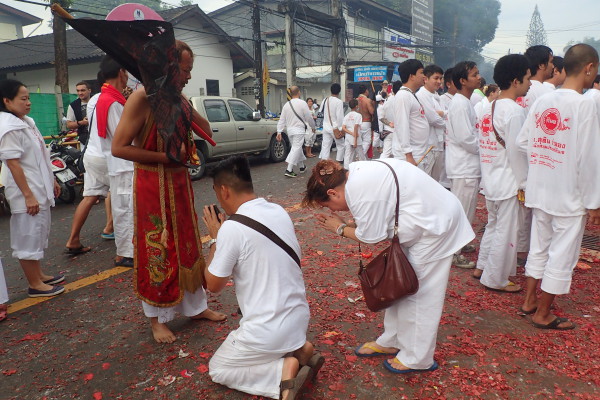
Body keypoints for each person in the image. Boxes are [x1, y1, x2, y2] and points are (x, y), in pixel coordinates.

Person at [303, 159, 474, 373]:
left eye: (328, 206)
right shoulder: (354, 173)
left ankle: (418, 358)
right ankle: (393, 340)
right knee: (398, 285)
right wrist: (350, 225)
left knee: (420, 293)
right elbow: (379, 214)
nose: (333, 210)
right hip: (421, 222)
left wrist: (339, 229)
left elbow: (371, 236)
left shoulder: (358, 189)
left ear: (332, 193)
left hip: (435, 226)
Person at [112, 40, 226, 343]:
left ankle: (196, 307)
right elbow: (119, 147)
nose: (189, 76)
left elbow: (207, 131)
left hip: (179, 185)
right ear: (169, 68)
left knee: (188, 246)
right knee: (157, 249)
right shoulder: (140, 99)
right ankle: (156, 319)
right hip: (152, 185)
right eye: (186, 71)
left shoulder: (177, 98)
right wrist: (165, 158)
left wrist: (180, 102)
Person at [202, 156, 323, 400]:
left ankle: (281, 371)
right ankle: (300, 351)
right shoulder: (277, 210)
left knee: (218, 368)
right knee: (272, 342)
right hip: (298, 320)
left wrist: (215, 239)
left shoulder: (231, 228)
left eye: (216, 193)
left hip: (267, 332)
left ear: (224, 191)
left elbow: (213, 286)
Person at [516, 43, 600, 330]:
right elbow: (588, 159)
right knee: (562, 255)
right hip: (569, 196)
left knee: (540, 248)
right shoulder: (585, 104)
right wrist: (594, 202)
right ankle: (543, 313)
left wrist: (544, 163)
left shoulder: (543, 101)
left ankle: (529, 301)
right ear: (589, 68)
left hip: (542, 191)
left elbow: (523, 142)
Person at [473, 54, 531, 292]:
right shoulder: (515, 111)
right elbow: (517, 152)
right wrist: (525, 183)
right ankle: (495, 278)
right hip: (508, 181)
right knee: (505, 230)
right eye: (527, 78)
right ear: (516, 80)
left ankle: (483, 266)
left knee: (494, 226)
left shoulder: (490, 106)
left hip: (491, 178)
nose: (529, 84)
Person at [0, 79, 64, 298]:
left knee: (37, 232)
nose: (28, 103)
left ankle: (39, 275)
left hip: (38, 187)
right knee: (27, 235)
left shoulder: (26, 122)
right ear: (7, 101)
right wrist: (28, 195)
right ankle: (34, 284)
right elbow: (13, 163)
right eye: (23, 99)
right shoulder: (8, 127)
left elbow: (41, 156)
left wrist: (52, 180)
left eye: (29, 98)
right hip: (26, 192)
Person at [65, 70, 114, 255]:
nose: (80, 93)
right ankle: (111, 229)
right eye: (77, 90)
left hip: (91, 153)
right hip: (105, 154)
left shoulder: (93, 101)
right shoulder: (109, 100)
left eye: (82, 90)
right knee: (119, 192)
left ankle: (73, 239)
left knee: (90, 196)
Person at [516, 45, 555, 266]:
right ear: (541, 65)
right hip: (538, 158)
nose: (552, 67)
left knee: (520, 211)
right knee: (538, 213)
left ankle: (520, 252)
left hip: (516, 157)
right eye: (550, 62)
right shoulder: (547, 93)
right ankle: (532, 255)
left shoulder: (523, 89)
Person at [446, 61, 482, 269]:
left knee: (467, 210)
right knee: (462, 210)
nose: (479, 77)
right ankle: (453, 252)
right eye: (474, 74)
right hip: (464, 166)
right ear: (462, 80)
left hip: (467, 166)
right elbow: (466, 139)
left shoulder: (465, 102)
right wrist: (486, 148)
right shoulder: (460, 103)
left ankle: (461, 243)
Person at [391, 59, 430, 170]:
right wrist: (408, 155)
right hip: (409, 156)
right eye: (421, 72)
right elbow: (402, 125)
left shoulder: (410, 94)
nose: (424, 76)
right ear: (412, 76)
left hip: (417, 152)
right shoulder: (403, 96)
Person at [277, 86, 315, 177]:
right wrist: (313, 126)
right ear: (299, 93)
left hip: (290, 130)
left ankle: (302, 167)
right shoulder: (302, 103)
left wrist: (279, 131)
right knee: (296, 148)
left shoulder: (286, 105)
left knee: (296, 148)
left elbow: (282, 119)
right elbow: (308, 117)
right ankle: (289, 169)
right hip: (299, 130)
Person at [417, 64, 446, 177]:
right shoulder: (421, 95)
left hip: (439, 144)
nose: (439, 81)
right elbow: (434, 119)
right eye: (436, 78)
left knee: (436, 181)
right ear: (426, 79)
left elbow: (441, 116)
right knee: (426, 180)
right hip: (428, 146)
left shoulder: (437, 96)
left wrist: (443, 114)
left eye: (440, 78)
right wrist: (445, 117)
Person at [518, 45, 554, 112]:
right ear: (541, 65)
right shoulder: (549, 94)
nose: (553, 66)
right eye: (551, 62)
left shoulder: (516, 90)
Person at [318, 83, 345, 163]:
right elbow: (339, 117)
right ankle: (338, 162)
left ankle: (324, 164)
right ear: (339, 91)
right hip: (335, 128)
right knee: (341, 145)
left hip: (325, 127)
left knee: (325, 146)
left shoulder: (325, 100)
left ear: (331, 91)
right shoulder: (339, 102)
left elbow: (320, 113)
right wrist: (340, 129)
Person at [66, 81, 92, 147]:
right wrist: (82, 122)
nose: (80, 93)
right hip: (84, 139)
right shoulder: (73, 105)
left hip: (101, 137)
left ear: (89, 90)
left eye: (83, 90)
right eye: (78, 91)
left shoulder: (98, 101)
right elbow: (69, 124)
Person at [341, 99, 364, 169]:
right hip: (356, 137)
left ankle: (346, 169)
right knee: (361, 154)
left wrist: (351, 133)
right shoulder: (358, 115)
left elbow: (343, 128)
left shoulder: (347, 115)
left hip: (348, 137)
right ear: (357, 106)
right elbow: (356, 126)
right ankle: (364, 168)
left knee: (347, 154)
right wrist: (355, 141)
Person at [378, 85, 397, 159]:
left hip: (388, 130)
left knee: (386, 153)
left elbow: (381, 117)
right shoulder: (400, 100)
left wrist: (389, 123)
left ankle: (380, 167)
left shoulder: (386, 102)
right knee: (397, 153)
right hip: (397, 131)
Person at [357, 85, 374, 159]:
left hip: (358, 123)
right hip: (366, 122)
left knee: (360, 142)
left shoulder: (356, 100)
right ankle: (360, 156)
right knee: (367, 141)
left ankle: (364, 158)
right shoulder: (367, 100)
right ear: (366, 91)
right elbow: (372, 112)